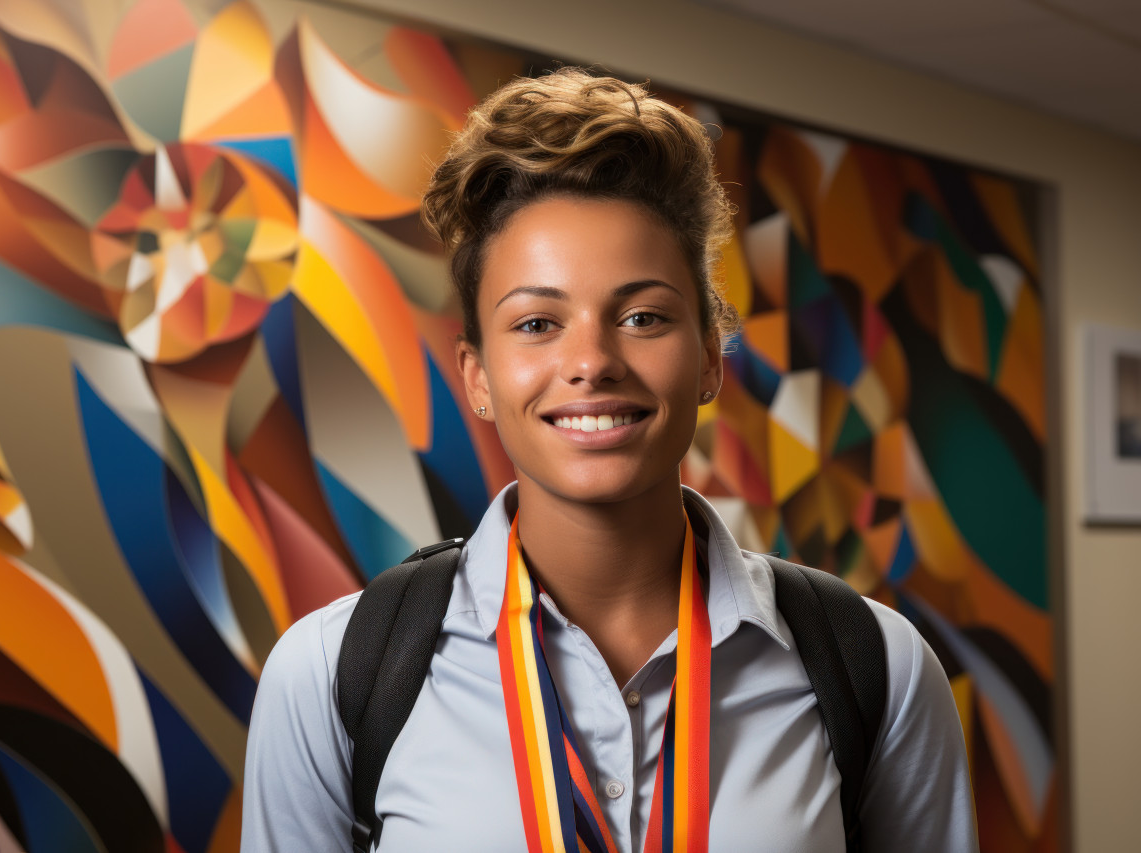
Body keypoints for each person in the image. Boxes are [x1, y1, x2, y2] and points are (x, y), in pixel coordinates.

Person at [241, 68, 977, 852]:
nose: (591, 361)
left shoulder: (876, 667)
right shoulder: (334, 675)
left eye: (641, 315)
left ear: (707, 359)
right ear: (477, 378)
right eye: (536, 323)